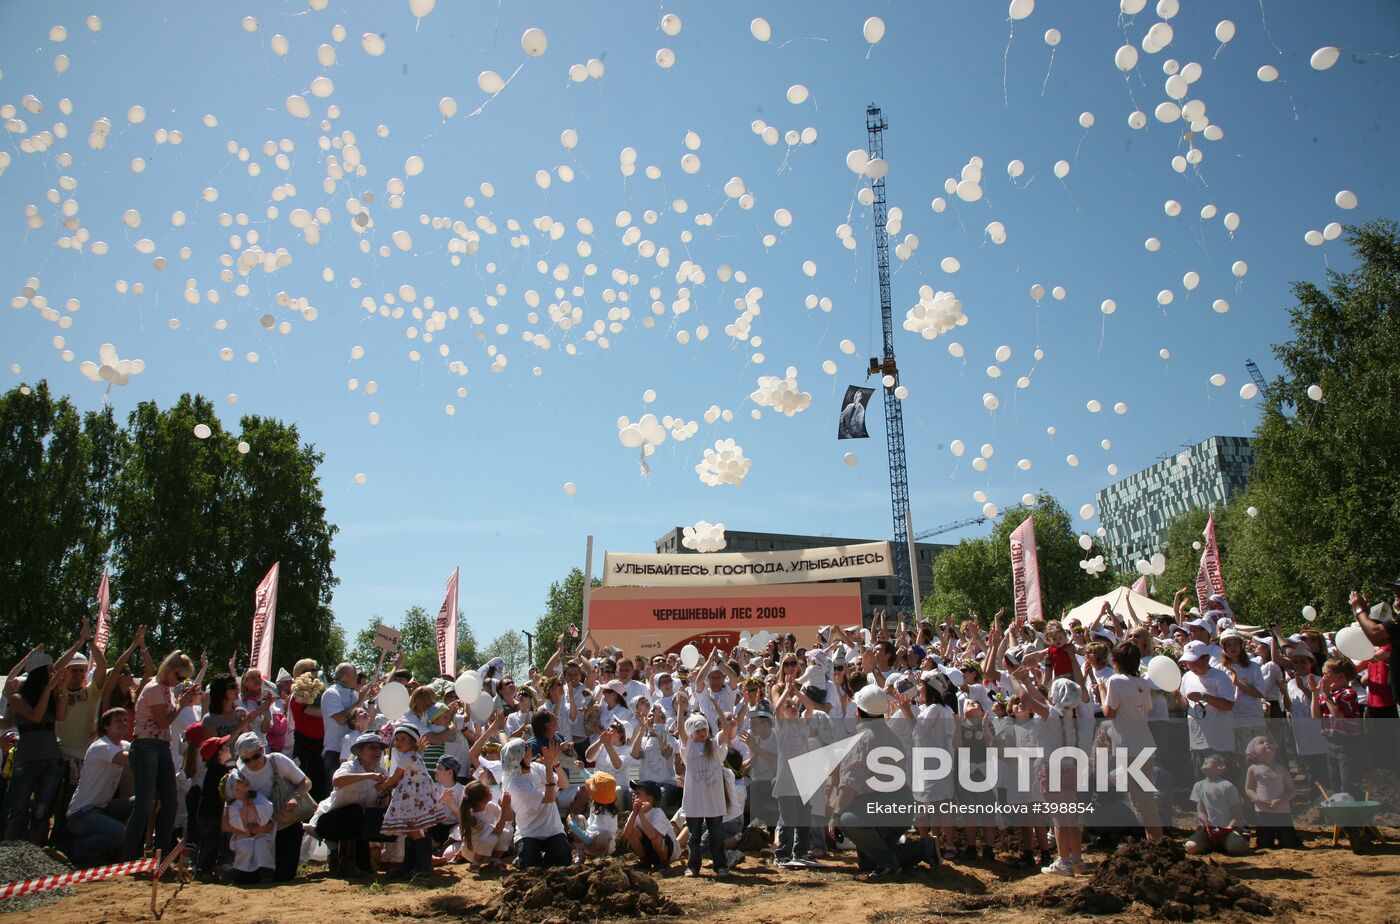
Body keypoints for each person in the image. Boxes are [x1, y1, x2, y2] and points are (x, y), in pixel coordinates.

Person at [124, 649, 200, 860]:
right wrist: (182, 704)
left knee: (170, 802)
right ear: (168, 670)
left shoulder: (165, 689)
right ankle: (130, 855)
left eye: (184, 678)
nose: (180, 681)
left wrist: (181, 703)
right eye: (179, 676)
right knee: (145, 804)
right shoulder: (155, 689)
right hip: (146, 745)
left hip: (160, 746)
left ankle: (161, 853)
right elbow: (164, 721)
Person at [223, 732, 310, 881]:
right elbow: (228, 813)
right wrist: (251, 830)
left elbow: (306, 782)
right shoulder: (242, 775)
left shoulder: (277, 761)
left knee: (284, 875)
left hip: (286, 823)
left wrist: (295, 797)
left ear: (262, 750)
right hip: (260, 831)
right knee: (252, 875)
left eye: (255, 757)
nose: (251, 763)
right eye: (246, 760)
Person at [1101, 642, 1163, 843]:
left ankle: (1156, 843)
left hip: (1129, 747)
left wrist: (1101, 691)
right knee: (1142, 797)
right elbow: (1147, 709)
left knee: (1141, 800)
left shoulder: (1115, 681)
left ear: (1116, 662)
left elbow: (1109, 712)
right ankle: (1154, 841)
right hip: (1144, 742)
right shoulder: (1143, 683)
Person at [310, 732, 392, 878]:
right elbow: (337, 781)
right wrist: (369, 776)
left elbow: (381, 805)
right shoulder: (350, 766)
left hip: (357, 824)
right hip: (328, 822)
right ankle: (345, 864)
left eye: (379, 748)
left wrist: (385, 793)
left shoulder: (381, 771)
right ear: (359, 752)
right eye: (372, 747)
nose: (377, 751)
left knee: (366, 817)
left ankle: (352, 862)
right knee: (354, 811)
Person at [64, 708, 133, 865]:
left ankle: (111, 850)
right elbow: (131, 760)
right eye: (118, 721)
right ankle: (77, 849)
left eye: (125, 720)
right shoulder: (101, 746)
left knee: (142, 802)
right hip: (81, 815)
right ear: (106, 726)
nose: (123, 723)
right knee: (122, 833)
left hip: (102, 808)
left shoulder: (124, 745)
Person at [680, 712, 737, 879]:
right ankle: (693, 866)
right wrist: (678, 708)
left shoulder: (714, 746)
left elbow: (726, 729)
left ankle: (720, 865)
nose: (702, 733)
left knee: (717, 835)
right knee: (693, 837)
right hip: (694, 801)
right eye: (698, 731)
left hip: (714, 800)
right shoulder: (688, 748)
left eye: (704, 729)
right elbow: (680, 730)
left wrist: (717, 709)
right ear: (691, 733)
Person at [379, 722, 439, 880]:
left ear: (412, 741)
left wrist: (383, 786)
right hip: (415, 795)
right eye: (396, 739)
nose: (398, 742)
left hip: (413, 797)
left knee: (413, 828)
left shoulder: (407, 757)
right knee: (413, 828)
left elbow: (396, 777)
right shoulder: (413, 754)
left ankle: (421, 866)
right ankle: (413, 864)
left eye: (403, 739)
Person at [501, 737, 571, 868]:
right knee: (532, 866)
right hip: (529, 833)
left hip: (553, 830)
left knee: (563, 862)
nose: (530, 755)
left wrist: (555, 764)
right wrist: (549, 767)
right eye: (527, 754)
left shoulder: (536, 768)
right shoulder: (516, 784)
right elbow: (548, 799)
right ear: (519, 759)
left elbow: (564, 784)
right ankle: (522, 857)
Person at [1177, 640, 1235, 779]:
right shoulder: (1187, 676)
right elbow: (1185, 706)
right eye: (1188, 663)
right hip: (1197, 739)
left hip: (1218, 741)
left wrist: (1204, 697)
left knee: (1221, 782)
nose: (1191, 666)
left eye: (1195, 662)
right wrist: (1178, 697)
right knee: (1200, 782)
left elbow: (1228, 705)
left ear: (1206, 659)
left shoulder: (1220, 677)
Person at [320, 663, 378, 802]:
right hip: (335, 750)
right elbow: (341, 719)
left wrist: (369, 700)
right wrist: (361, 699)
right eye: (355, 675)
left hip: (356, 750)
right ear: (346, 675)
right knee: (336, 797)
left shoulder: (354, 694)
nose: (357, 678)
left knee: (355, 796)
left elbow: (368, 720)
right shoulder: (331, 693)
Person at [1243, 736, 1300, 849]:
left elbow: (1292, 790)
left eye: (1269, 742)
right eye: (1261, 743)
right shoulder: (1253, 769)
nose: (1267, 744)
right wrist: (1257, 799)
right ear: (1253, 753)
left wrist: (1280, 800)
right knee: (1265, 843)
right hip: (1263, 812)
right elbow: (1248, 789)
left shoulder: (1282, 769)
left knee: (1289, 843)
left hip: (1282, 812)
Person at [1186, 754, 1247, 856]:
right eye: (1205, 758)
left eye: (1209, 759)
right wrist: (1205, 822)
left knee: (1235, 847)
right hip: (1208, 830)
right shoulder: (1198, 786)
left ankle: (1233, 841)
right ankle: (1215, 845)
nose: (1205, 759)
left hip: (1228, 829)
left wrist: (1226, 829)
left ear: (1221, 767)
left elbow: (1238, 815)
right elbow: (1200, 811)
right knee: (1190, 847)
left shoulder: (1227, 786)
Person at [224, 770, 275, 883]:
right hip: (243, 836)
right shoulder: (233, 806)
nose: (244, 781)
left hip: (261, 833)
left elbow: (268, 808)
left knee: (260, 844)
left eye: (244, 778)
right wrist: (244, 811)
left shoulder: (257, 796)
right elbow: (240, 824)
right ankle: (241, 873)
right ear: (235, 789)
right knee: (245, 846)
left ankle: (265, 872)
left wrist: (255, 808)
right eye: (240, 781)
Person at [623, 779, 679, 870]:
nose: (634, 795)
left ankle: (664, 863)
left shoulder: (657, 812)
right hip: (651, 850)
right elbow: (626, 835)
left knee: (656, 837)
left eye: (638, 793)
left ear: (650, 799)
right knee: (633, 831)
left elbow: (654, 836)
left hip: (669, 852)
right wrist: (634, 813)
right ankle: (645, 861)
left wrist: (641, 815)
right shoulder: (635, 811)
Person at [458, 779, 513, 870]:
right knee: (492, 838)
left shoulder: (490, 806)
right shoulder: (475, 818)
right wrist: (504, 809)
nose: (491, 791)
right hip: (472, 851)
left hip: (487, 848)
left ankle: (494, 859)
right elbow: (497, 830)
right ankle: (477, 862)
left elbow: (509, 818)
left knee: (506, 833)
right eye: (488, 790)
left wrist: (507, 806)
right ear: (482, 801)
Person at [569, 771, 620, 860]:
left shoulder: (605, 818)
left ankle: (585, 857)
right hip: (595, 838)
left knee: (602, 834)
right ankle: (583, 854)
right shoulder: (605, 806)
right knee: (580, 818)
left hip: (602, 848)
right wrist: (582, 770)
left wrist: (573, 826)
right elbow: (597, 782)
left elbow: (588, 839)